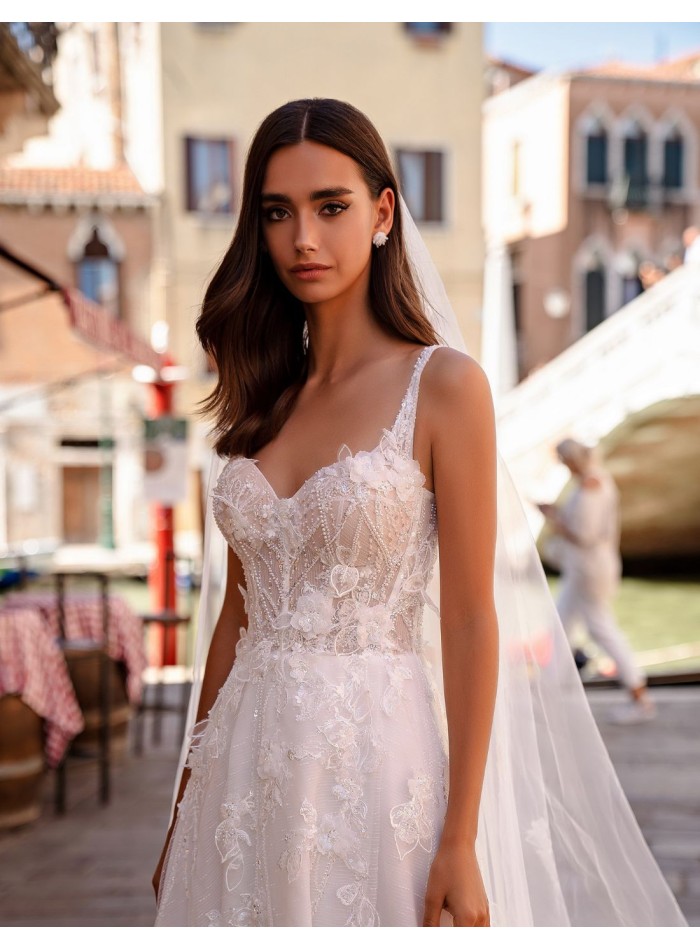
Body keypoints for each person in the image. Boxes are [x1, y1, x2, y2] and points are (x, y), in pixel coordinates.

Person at [152, 99, 687, 927]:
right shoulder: (262, 396)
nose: (303, 238)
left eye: (331, 206)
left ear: (382, 212)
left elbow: (474, 619)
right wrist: (185, 805)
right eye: (277, 212)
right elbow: (236, 616)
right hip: (238, 778)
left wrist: (460, 838)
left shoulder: (444, 387)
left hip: (376, 769)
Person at [540, 438, 656, 725]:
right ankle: (549, 695)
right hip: (583, 569)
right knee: (561, 624)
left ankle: (639, 695)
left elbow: (585, 535)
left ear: (572, 460)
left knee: (600, 628)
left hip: (590, 570)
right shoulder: (594, 480)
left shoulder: (592, 485)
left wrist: (554, 518)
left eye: (564, 462)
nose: (564, 468)